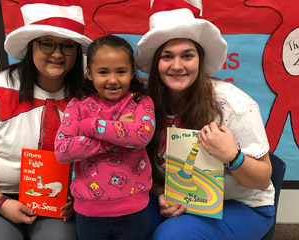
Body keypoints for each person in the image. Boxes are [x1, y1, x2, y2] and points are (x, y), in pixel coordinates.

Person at [0, 0, 91, 239]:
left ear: (76, 52)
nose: (57, 54)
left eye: (67, 46)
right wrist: (1, 203)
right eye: (47, 44)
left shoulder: (88, 94)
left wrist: (78, 193)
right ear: (31, 46)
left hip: (56, 196)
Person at [135, 0, 275, 239]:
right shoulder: (147, 105)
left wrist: (232, 157)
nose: (177, 66)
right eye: (167, 56)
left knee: (172, 236)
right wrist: (161, 192)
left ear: (200, 60)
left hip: (239, 204)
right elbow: (148, 170)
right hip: (177, 196)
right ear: (156, 63)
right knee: (120, 219)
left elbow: (262, 180)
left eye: (187, 56)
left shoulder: (234, 106)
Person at [54, 34, 155, 240]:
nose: (112, 80)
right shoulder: (78, 105)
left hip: (134, 210)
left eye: (121, 71)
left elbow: (141, 136)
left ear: (132, 72)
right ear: (90, 73)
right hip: (89, 213)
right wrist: (118, 133)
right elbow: (63, 150)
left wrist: (89, 126)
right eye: (103, 72)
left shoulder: (141, 102)